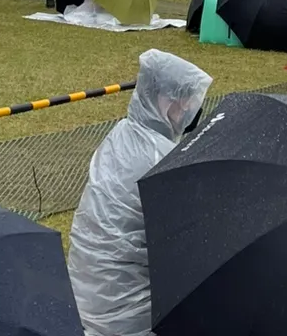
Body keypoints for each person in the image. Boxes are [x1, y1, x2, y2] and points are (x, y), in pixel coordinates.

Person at [68, 49, 213, 336]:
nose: (188, 109)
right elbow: (186, 240)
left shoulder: (120, 134)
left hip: (82, 294)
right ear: (164, 100)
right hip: (124, 311)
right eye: (184, 100)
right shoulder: (161, 157)